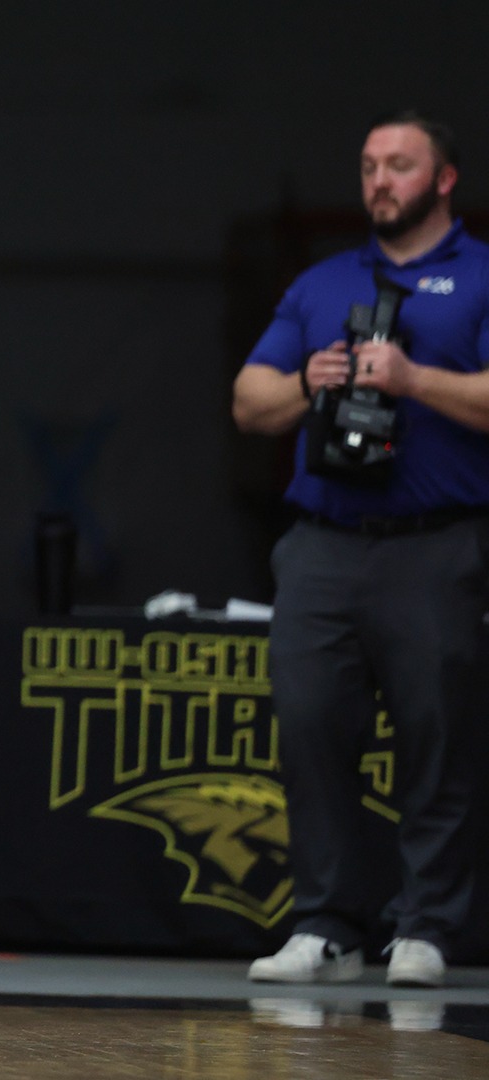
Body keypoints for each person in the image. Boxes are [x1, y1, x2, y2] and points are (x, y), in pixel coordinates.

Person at [232, 110, 488, 990]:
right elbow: (248, 398)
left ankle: (426, 925)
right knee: (308, 728)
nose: (380, 181)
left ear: (444, 179)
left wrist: (414, 380)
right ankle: (327, 924)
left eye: (402, 165)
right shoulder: (323, 282)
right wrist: (311, 378)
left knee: (435, 732)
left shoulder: (483, 275)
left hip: (435, 545)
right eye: (371, 165)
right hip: (323, 545)